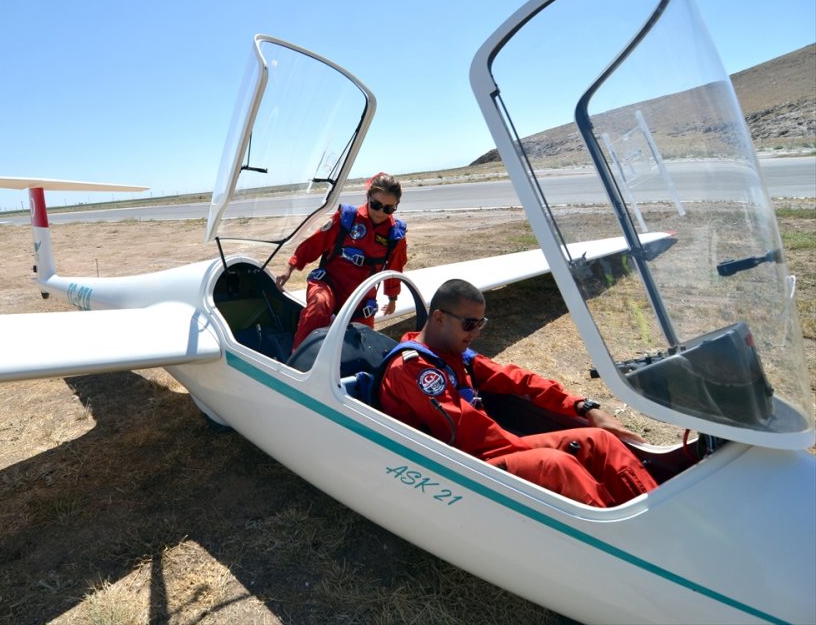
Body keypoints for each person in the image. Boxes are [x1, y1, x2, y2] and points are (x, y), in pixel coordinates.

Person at [377, 278, 657, 507]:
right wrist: (538, 447)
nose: (476, 333)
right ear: (438, 318)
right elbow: (467, 435)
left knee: (598, 441)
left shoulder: (455, 355)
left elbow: (518, 379)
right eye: (470, 324)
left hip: (487, 451)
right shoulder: (413, 369)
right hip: (459, 463)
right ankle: (626, 541)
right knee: (558, 465)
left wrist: (584, 407)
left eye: (480, 324)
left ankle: (654, 511)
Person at [276, 172, 408, 351]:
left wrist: (392, 297)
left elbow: (395, 268)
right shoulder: (347, 218)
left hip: (360, 297)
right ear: (368, 197)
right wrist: (290, 266)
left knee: (361, 344)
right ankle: (298, 358)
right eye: (376, 205)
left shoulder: (395, 235)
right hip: (329, 284)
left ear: (396, 206)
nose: (380, 212)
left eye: (388, 209)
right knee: (319, 308)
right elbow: (315, 243)